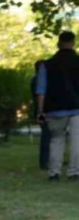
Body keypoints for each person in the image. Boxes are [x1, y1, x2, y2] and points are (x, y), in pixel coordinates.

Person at [35, 31, 79, 181]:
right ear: (73, 43)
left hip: (55, 109)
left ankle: (54, 172)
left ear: (58, 43)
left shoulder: (46, 65)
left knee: (56, 140)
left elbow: (41, 89)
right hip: (77, 108)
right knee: (77, 140)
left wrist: (40, 111)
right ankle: (74, 172)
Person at [32, 60, 49, 170]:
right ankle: (44, 162)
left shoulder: (35, 80)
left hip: (41, 111)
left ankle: (47, 160)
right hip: (43, 111)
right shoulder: (38, 80)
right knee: (46, 136)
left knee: (47, 135)